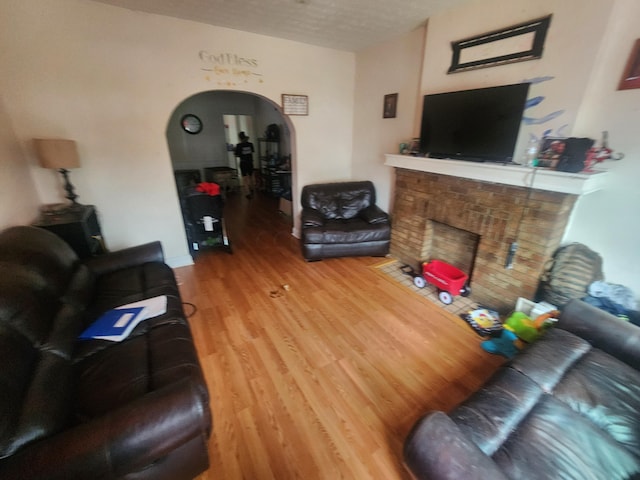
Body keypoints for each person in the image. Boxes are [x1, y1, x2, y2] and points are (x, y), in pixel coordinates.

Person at [235, 131, 255, 199]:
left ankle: (248, 193)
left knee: (245, 178)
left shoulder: (239, 145)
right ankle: (252, 189)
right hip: (250, 162)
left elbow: (237, 155)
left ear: (240, 138)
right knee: (251, 176)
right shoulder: (250, 144)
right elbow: (252, 151)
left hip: (243, 163)